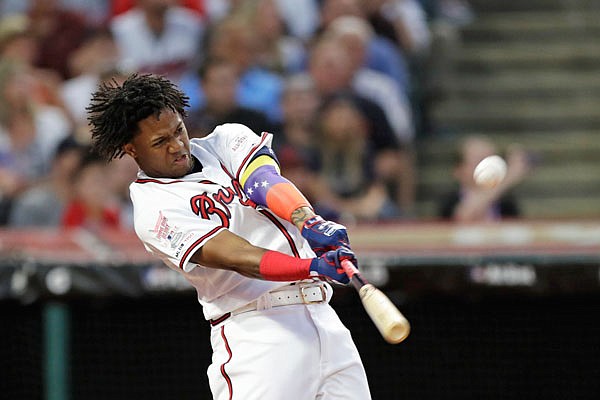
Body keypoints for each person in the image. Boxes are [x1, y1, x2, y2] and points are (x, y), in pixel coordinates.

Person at [86, 73, 371, 400]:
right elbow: (242, 257)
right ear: (131, 149)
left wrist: (307, 221)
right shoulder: (154, 209)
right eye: (160, 142)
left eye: (178, 130)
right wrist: (311, 266)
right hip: (260, 334)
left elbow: (263, 181)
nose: (177, 145)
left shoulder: (225, 139)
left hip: (325, 320)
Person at [438, 135, 532, 222]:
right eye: (479, 161)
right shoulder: (449, 202)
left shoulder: (506, 204)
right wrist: (510, 176)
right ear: (459, 170)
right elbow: (463, 217)